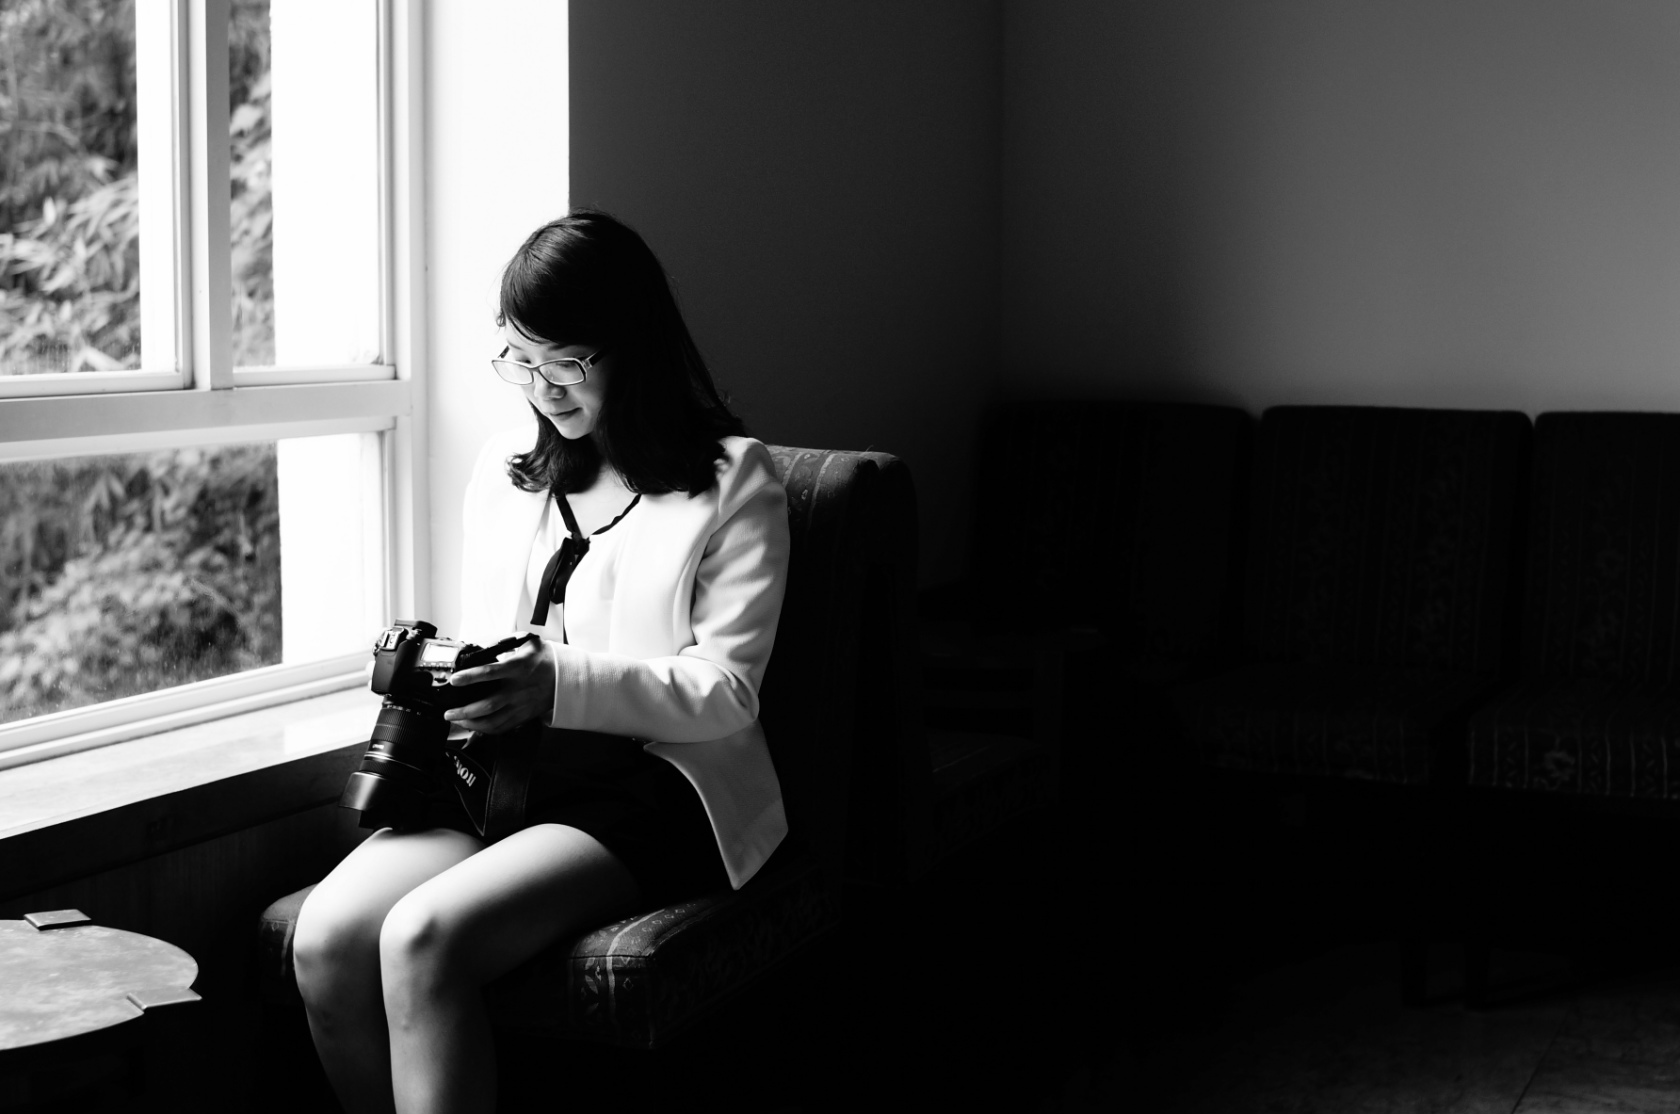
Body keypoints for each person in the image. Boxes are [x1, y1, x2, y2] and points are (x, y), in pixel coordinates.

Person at [291, 210, 791, 1114]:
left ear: (633, 347)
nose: (541, 388)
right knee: (326, 939)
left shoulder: (733, 480)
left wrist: (556, 682)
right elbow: (494, 636)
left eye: (566, 363)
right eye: (520, 360)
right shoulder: (506, 470)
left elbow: (728, 691)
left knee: (422, 939)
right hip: (500, 771)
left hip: (645, 782)